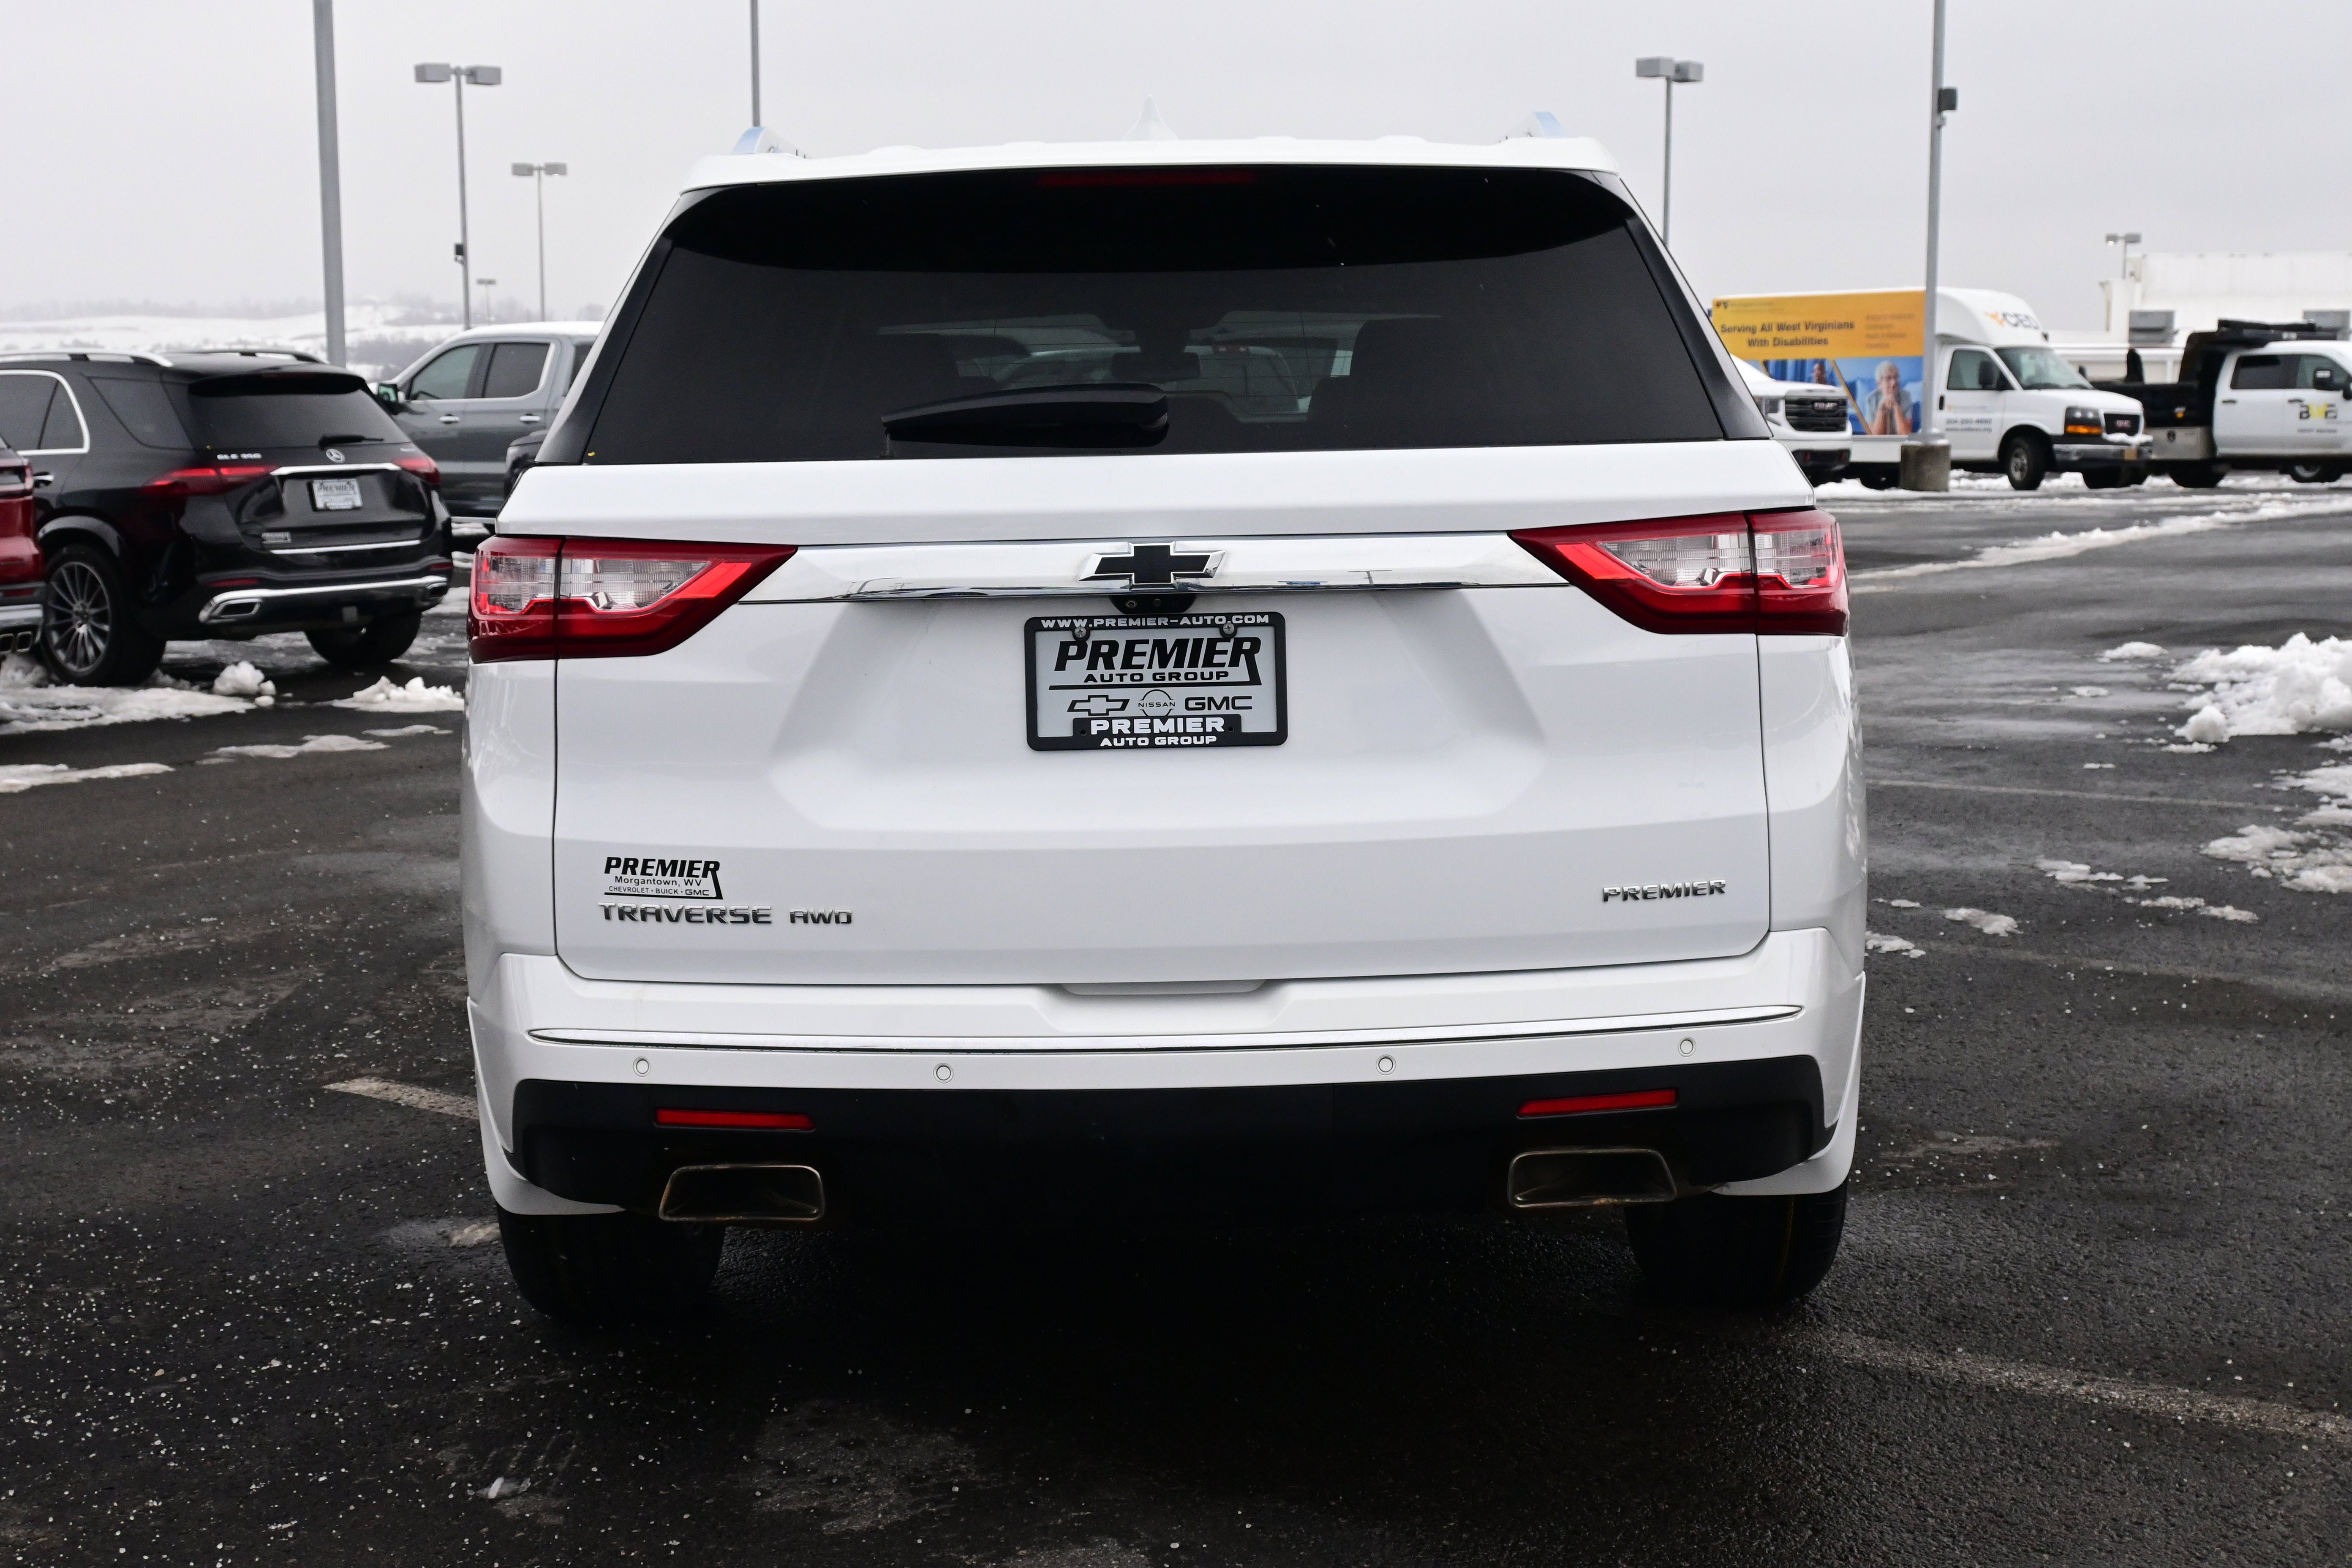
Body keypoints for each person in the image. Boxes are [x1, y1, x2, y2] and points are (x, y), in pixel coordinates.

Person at [1862, 359, 1915, 436]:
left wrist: (1896, 407)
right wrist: (1881, 408)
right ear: (1879, 384)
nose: (1894, 383)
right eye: (1888, 378)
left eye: (1896, 378)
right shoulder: (1871, 399)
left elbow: (1906, 435)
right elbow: (1874, 437)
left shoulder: (1906, 397)